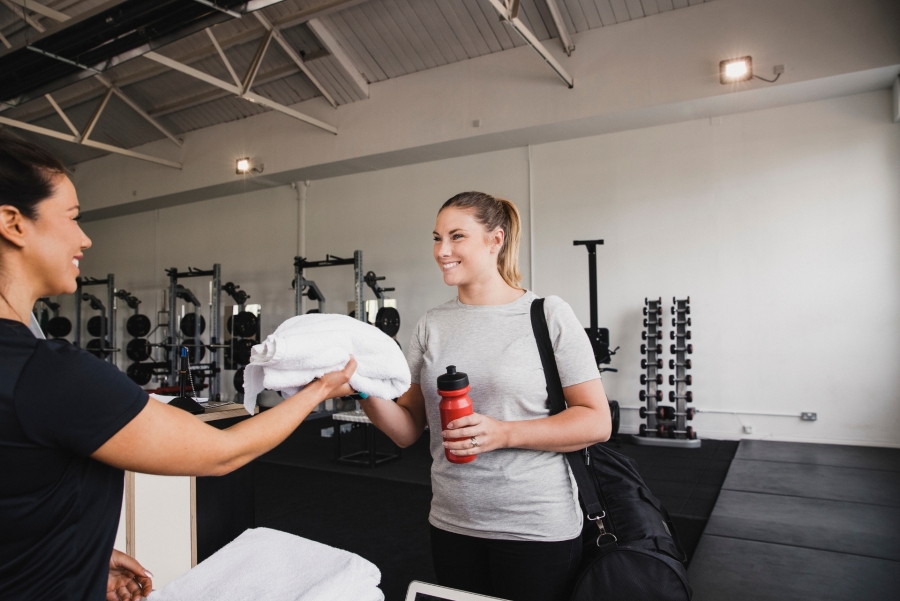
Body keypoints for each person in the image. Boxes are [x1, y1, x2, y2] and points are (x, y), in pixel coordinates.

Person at [0, 137, 357, 601]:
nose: (85, 238)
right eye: (72, 218)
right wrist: (318, 391)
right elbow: (223, 453)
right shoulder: (51, 375)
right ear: (13, 223)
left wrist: (81, 553)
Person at [358, 192, 612, 601]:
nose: (442, 251)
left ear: (495, 240)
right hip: (452, 522)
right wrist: (361, 388)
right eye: (437, 238)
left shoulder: (548, 315)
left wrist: (503, 433)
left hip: (536, 526)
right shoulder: (430, 325)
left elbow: (597, 422)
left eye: (457, 236)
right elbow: (407, 431)